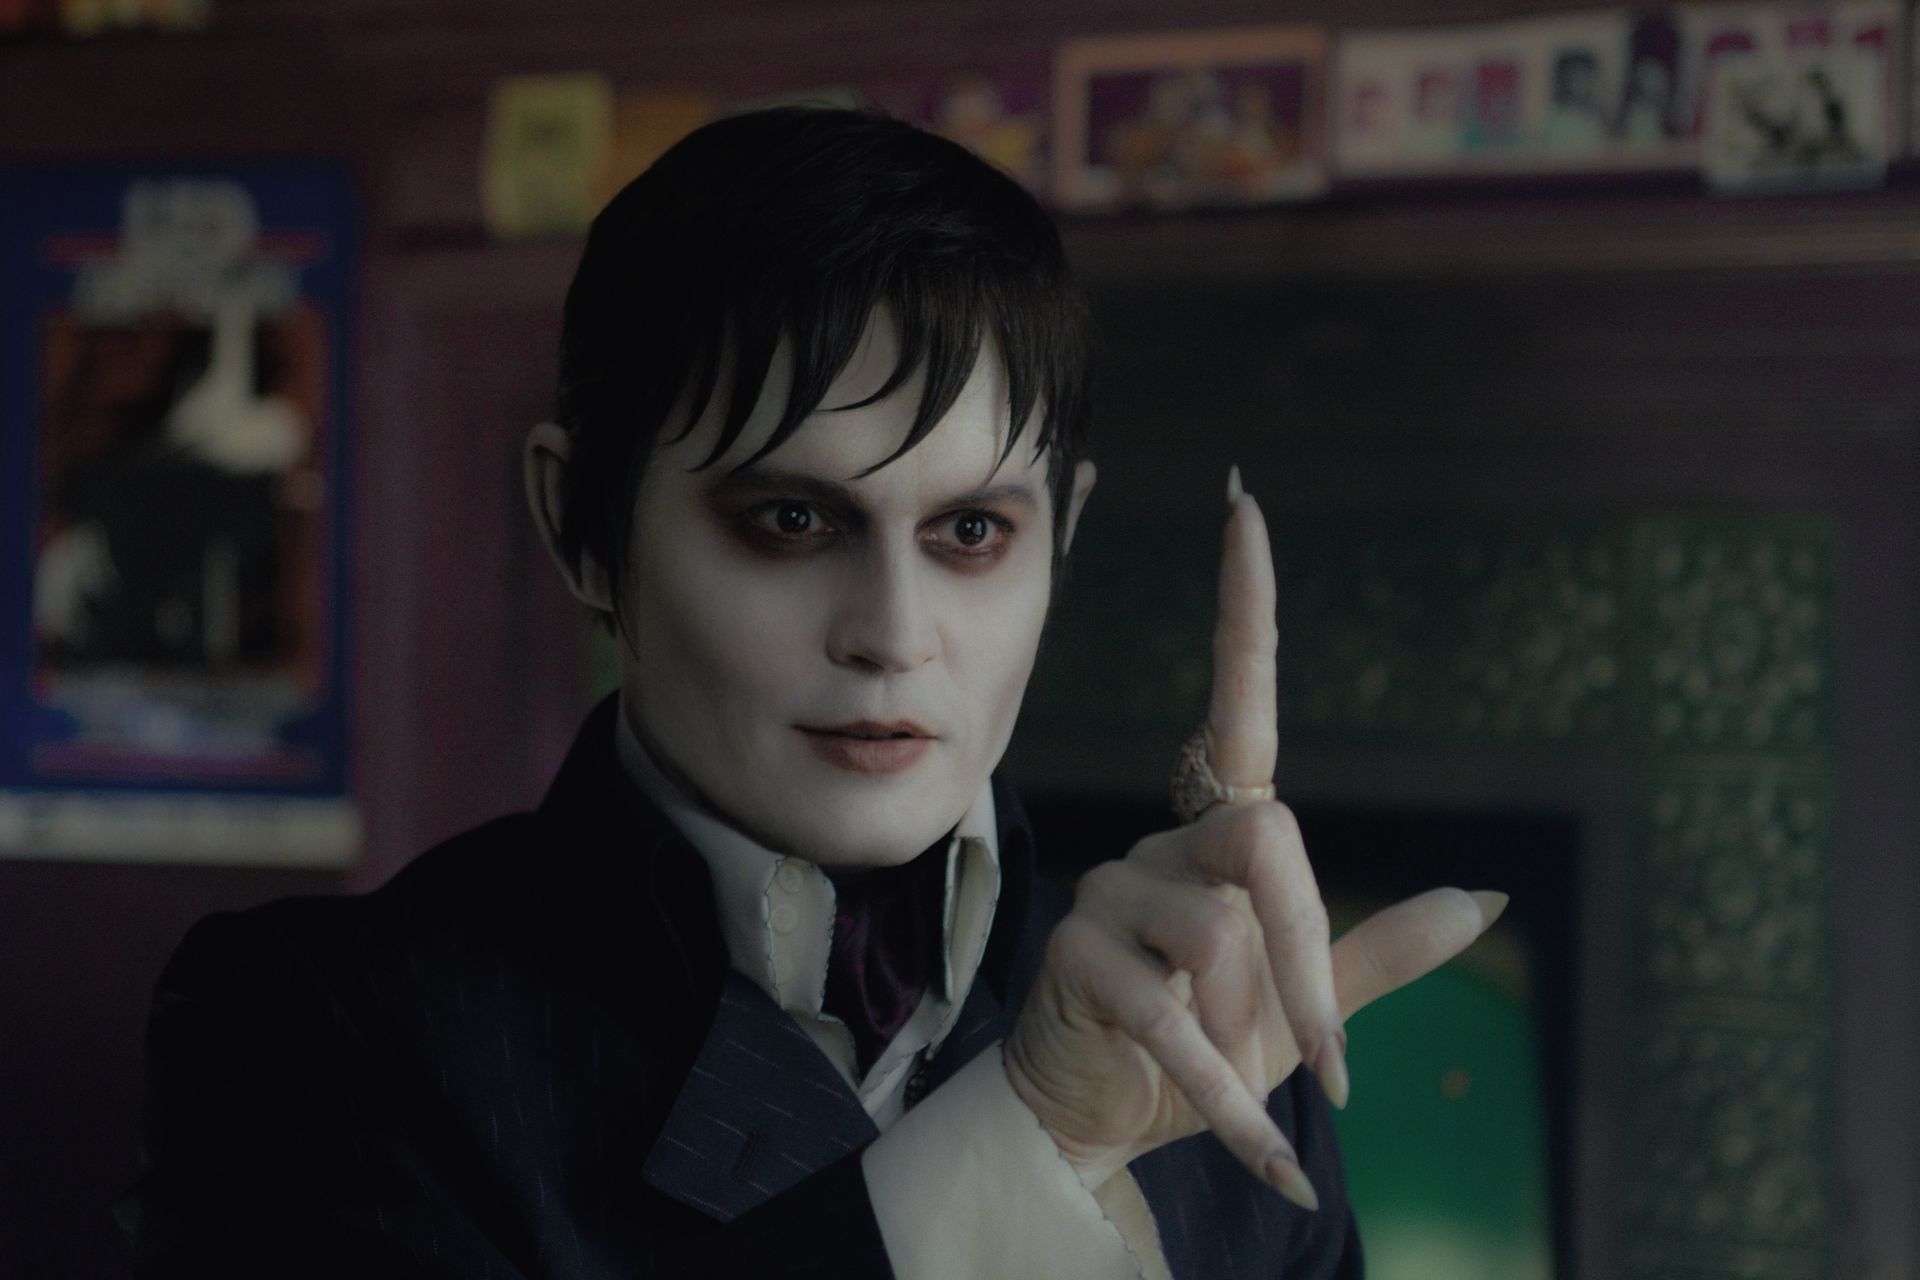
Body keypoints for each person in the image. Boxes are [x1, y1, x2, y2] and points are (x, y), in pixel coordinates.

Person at [118, 106, 1503, 1278]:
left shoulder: (1208, 1019)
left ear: (1062, 539)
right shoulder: (315, 1028)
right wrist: (1017, 1141)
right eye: (790, 522)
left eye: (973, 532)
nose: (894, 636)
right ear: (581, 525)